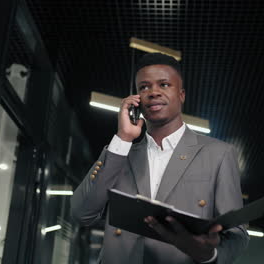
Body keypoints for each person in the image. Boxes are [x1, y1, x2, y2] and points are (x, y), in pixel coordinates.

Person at [71, 53, 249, 264]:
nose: (153, 92)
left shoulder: (219, 154)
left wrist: (209, 255)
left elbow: (237, 235)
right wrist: (123, 138)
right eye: (144, 87)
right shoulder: (120, 153)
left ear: (181, 95)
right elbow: (82, 213)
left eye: (164, 85)